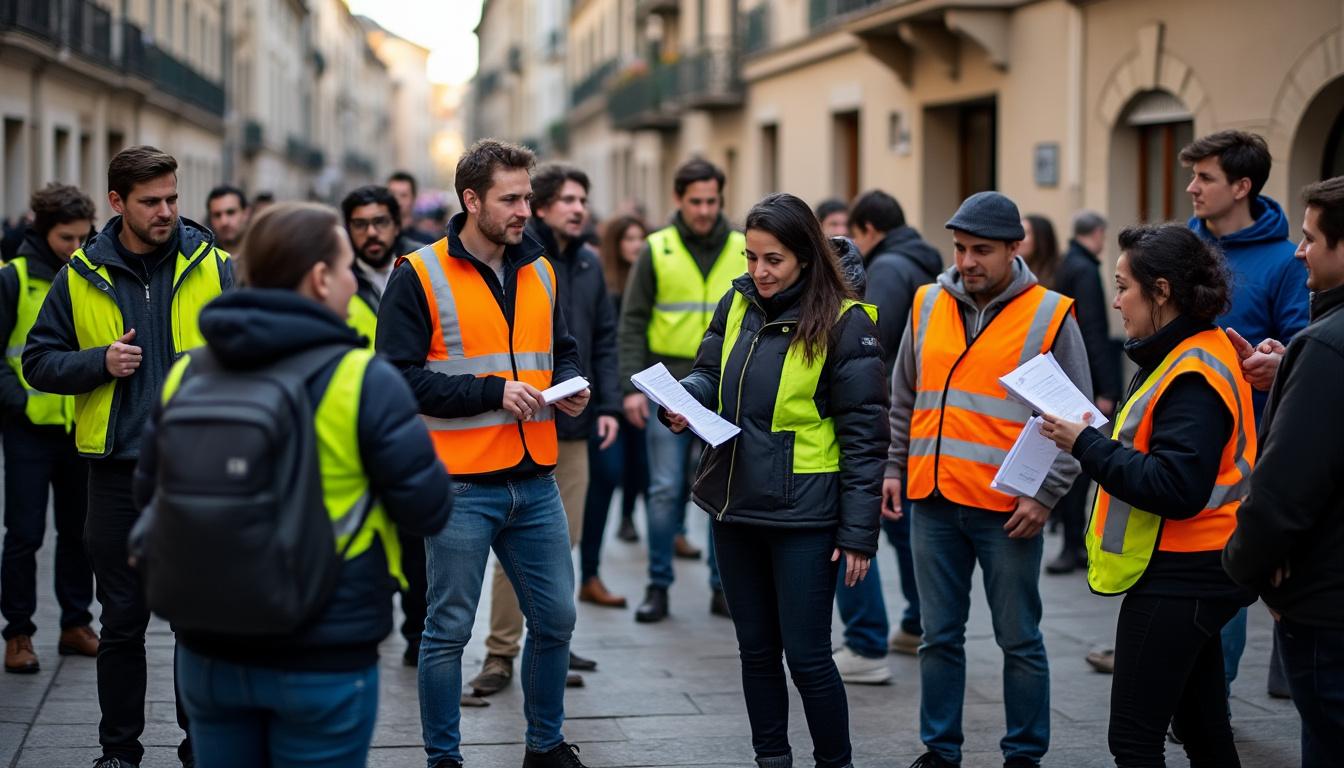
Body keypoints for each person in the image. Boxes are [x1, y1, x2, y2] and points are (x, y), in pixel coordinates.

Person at [133, 202, 452, 768]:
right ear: (320, 277)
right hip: (323, 646)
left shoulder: (189, 372)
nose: (355, 279)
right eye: (347, 264)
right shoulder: (361, 379)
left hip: (208, 647)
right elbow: (427, 507)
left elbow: (149, 493)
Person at [378, 139, 591, 768]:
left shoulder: (540, 267)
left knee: (555, 620)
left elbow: (564, 346)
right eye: (512, 198)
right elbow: (396, 377)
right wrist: (493, 391)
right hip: (460, 485)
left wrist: (571, 385)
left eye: (528, 196)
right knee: (446, 634)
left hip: (535, 478)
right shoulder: (418, 274)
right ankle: (444, 758)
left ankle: (544, 746)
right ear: (472, 200)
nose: (527, 209)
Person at [23, 145, 232, 768]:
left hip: (198, 473)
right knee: (121, 623)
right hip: (116, 474)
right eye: (151, 201)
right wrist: (98, 363)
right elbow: (37, 361)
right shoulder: (80, 272)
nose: (166, 210)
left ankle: (202, 748)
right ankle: (119, 751)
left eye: (172, 197)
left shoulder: (218, 268)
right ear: (117, 202)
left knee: (199, 624)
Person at [665, 192, 886, 768]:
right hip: (734, 505)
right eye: (751, 257)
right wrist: (683, 400)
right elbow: (710, 373)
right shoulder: (736, 303)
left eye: (773, 260)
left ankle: (835, 762)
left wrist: (858, 533)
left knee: (809, 658)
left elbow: (866, 439)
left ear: (805, 258)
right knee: (755, 651)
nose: (758, 271)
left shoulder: (845, 323)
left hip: (804, 518)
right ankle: (772, 759)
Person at [1042, 223, 1255, 767]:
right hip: (1198, 566)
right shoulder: (1187, 349)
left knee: (1135, 740)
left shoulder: (1191, 369)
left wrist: (1086, 443)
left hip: (1182, 572)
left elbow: (1175, 486)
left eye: (1123, 287)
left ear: (1161, 291)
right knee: (1204, 727)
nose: (1115, 302)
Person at [890, 191, 1091, 768]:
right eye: (960, 248)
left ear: (1014, 248)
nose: (968, 261)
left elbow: (1078, 422)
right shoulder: (927, 302)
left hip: (1008, 510)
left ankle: (1024, 754)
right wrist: (891, 466)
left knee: (1019, 639)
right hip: (931, 499)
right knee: (937, 637)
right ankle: (939, 750)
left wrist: (1046, 495)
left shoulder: (1051, 313)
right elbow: (904, 397)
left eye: (982, 250)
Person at [468, 163, 622, 698]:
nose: (578, 209)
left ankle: (550, 641)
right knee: (515, 552)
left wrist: (603, 404)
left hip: (570, 425)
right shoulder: (520, 257)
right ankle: (500, 652)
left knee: (563, 544)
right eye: (567, 200)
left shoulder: (587, 261)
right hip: (513, 429)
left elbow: (603, 336)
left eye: (583, 199)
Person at [1181, 129, 1308, 697]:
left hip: (1247, 446)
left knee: (1225, 567)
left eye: (1205, 178)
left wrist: (1272, 364)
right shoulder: (1178, 248)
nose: (1192, 188)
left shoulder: (1284, 261)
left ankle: (1212, 694)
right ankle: (1180, 676)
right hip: (1176, 434)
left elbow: (1303, 349)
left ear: (1242, 185)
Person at [1224, 176, 1344, 768]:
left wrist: (1250, 572)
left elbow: (1283, 493)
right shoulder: (1317, 350)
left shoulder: (1326, 347)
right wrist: (1292, 366)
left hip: (1327, 606)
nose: (1301, 251)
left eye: (1312, 238)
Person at [617, 158, 741, 623]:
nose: (705, 210)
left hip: (727, 388)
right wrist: (631, 386)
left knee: (720, 490)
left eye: (712, 201)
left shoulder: (742, 246)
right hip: (668, 386)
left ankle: (721, 587)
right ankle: (658, 586)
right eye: (696, 201)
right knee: (666, 489)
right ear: (678, 200)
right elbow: (631, 321)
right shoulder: (657, 248)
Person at [831, 189, 943, 684]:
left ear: (868, 230)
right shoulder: (923, 262)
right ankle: (917, 624)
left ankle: (865, 643)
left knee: (860, 523)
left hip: (888, 419)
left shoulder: (890, 271)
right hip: (916, 420)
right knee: (901, 524)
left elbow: (869, 344)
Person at [1, 184, 98, 674]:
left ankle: (76, 624)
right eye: (66, 238)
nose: (76, 248)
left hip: (79, 426)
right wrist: (17, 402)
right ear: (42, 230)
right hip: (27, 430)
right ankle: (18, 633)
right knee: (24, 533)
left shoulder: (92, 275)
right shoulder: (13, 278)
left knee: (80, 533)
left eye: (84, 237)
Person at [337, 184, 432, 667]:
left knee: (416, 539)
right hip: (350, 432)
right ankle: (365, 624)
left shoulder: (424, 270)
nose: (371, 233)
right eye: (360, 223)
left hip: (412, 425)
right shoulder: (333, 278)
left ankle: (418, 632)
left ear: (397, 224)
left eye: (380, 222)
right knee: (365, 535)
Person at [1044, 211, 1122, 575]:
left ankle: (1071, 539)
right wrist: (1106, 388)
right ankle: (1075, 543)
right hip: (1085, 379)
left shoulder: (1065, 264)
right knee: (1083, 464)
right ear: (1099, 234)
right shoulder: (1086, 269)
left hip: (1066, 375)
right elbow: (1094, 329)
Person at [586, 215, 650, 549]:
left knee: (641, 466)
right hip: (609, 394)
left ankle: (629, 517)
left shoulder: (648, 280)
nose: (636, 245)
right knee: (610, 471)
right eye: (628, 239)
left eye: (640, 238)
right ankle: (592, 563)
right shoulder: (604, 282)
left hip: (641, 388)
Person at [388, 170, 438, 244]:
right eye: (392, 195)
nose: (396, 200)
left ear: (413, 198)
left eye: (403, 195)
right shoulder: (379, 240)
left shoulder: (426, 242)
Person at [1018, 214, 1060, 289]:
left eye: (1025, 233)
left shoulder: (1062, 274)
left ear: (1041, 239)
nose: (1017, 239)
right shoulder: (1015, 273)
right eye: (1018, 233)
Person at [205, 185, 250, 253]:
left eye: (230, 212)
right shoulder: (200, 258)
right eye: (217, 215)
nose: (224, 222)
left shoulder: (262, 255)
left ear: (246, 213)